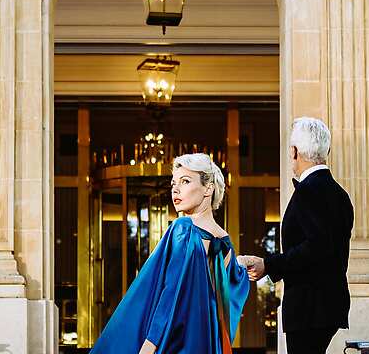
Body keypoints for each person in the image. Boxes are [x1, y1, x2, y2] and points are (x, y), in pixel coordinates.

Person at [92, 153, 250, 354]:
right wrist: (242, 263)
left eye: (185, 181)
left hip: (176, 343)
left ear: (208, 188)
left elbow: (171, 292)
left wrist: (149, 345)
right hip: (207, 344)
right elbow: (229, 297)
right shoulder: (225, 243)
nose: (175, 188)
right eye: (174, 182)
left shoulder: (183, 229)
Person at [238, 117, 353, 354]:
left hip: (309, 308)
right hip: (327, 306)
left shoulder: (309, 191)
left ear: (294, 152)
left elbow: (317, 247)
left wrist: (267, 264)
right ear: (326, 150)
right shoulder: (340, 194)